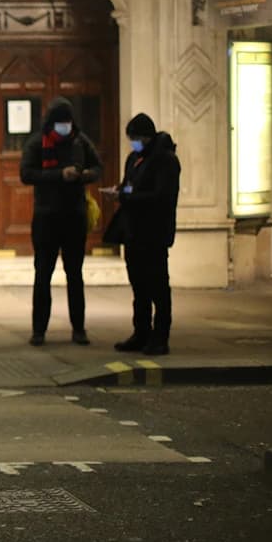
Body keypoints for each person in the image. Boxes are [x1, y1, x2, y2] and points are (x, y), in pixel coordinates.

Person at [19, 97, 102, 346]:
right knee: (43, 275)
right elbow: (26, 174)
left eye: (68, 121)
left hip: (74, 216)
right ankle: (38, 331)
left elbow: (98, 166)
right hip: (46, 217)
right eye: (60, 122)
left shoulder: (80, 141)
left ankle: (79, 328)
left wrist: (86, 175)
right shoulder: (37, 143)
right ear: (51, 123)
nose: (65, 126)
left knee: (74, 274)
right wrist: (58, 175)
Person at [102, 113, 181, 356]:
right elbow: (129, 185)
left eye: (136, 138)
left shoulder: (165, 160)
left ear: (147, 137)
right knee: (139, 286)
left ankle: (160, 337)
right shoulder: (134, 159)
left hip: (153, 232)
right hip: (133, 231)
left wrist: (125, 196)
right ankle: (141, 332)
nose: (133, 143)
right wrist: (119, 190)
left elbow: (162, 197)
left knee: (158, 286)